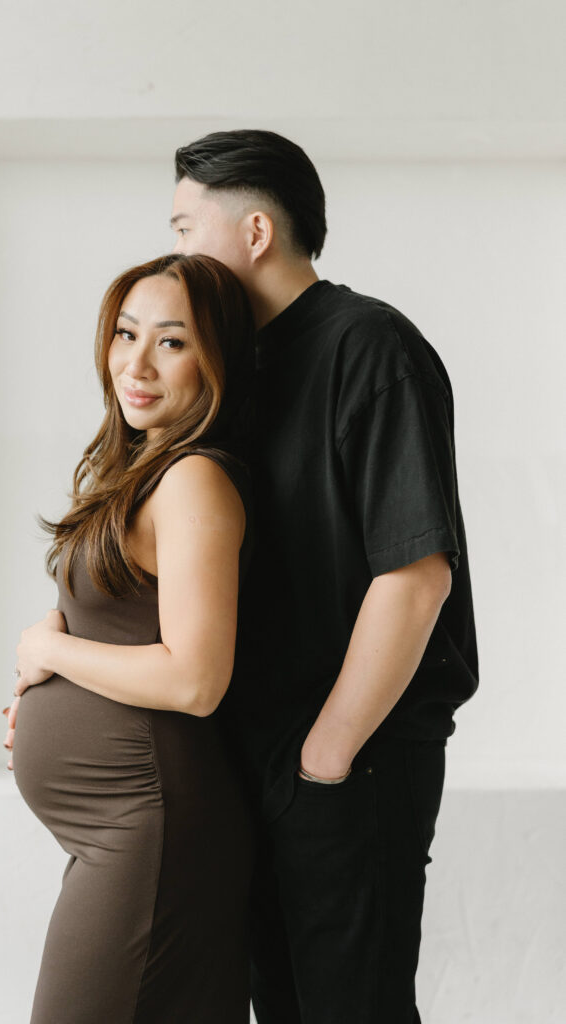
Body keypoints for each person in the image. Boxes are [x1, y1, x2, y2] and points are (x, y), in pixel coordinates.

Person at [166, 130, 480, 1023]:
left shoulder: (368, 345)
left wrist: (325, 759)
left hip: (353, 758)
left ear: (255, 231)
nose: (175, 249)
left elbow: (415, 575)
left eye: (185, 226)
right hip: (260, 759)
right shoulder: (236, 364)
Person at [2, 252, 258, 1023]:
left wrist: (48, 653)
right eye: (125, 333)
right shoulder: (146, 468)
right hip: (123, 828)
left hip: (147, 826)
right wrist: (52, 673)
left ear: (216, 360)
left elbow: (195, 679)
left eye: (171, 341)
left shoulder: (194, 479)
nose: (135, 363)